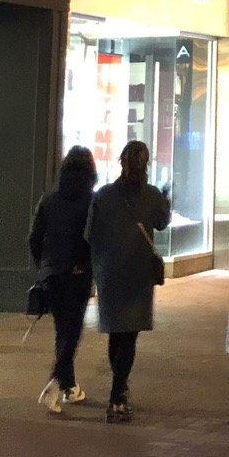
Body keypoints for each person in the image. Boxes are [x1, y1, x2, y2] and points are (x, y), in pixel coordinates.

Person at [88, 140, 171, 421]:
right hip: (138, 272)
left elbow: (91, 234)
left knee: (116, 332)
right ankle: (118, 391)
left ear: (121, 161)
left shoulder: (104, 195)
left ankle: (118, 388)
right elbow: (162, 223)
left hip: (111, 272)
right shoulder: (152, 195)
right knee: (129, 334)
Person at [28, 145, 97, 414]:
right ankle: (55, 382)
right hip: (78, 274)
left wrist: (43, 266)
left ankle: (69, 385)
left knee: (62, 331)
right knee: (72, 332)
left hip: (52, 274)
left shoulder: (49, 200)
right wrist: (84, 264)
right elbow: (92, 239)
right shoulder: (91, 201)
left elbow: (34, 238)